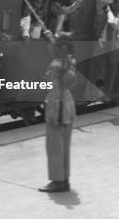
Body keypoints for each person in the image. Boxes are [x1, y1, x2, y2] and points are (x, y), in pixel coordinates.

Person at [39, 40, 76, 193]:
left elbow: (52, 84)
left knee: (55, 147)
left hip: (57, 107)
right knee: (64, 146)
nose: (48, 45)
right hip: (67, 105)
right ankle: (64, 179)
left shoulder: (57, 64)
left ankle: (57, 181)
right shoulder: (69, 62)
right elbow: (70, 81)